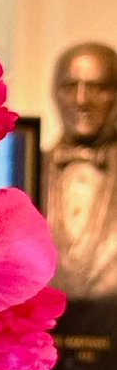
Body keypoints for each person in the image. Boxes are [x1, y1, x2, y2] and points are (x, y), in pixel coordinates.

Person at [44, 42, 117, 297]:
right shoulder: (28, 171)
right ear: (55, 93)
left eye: (96, 88)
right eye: (69, 87)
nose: (81, 100)